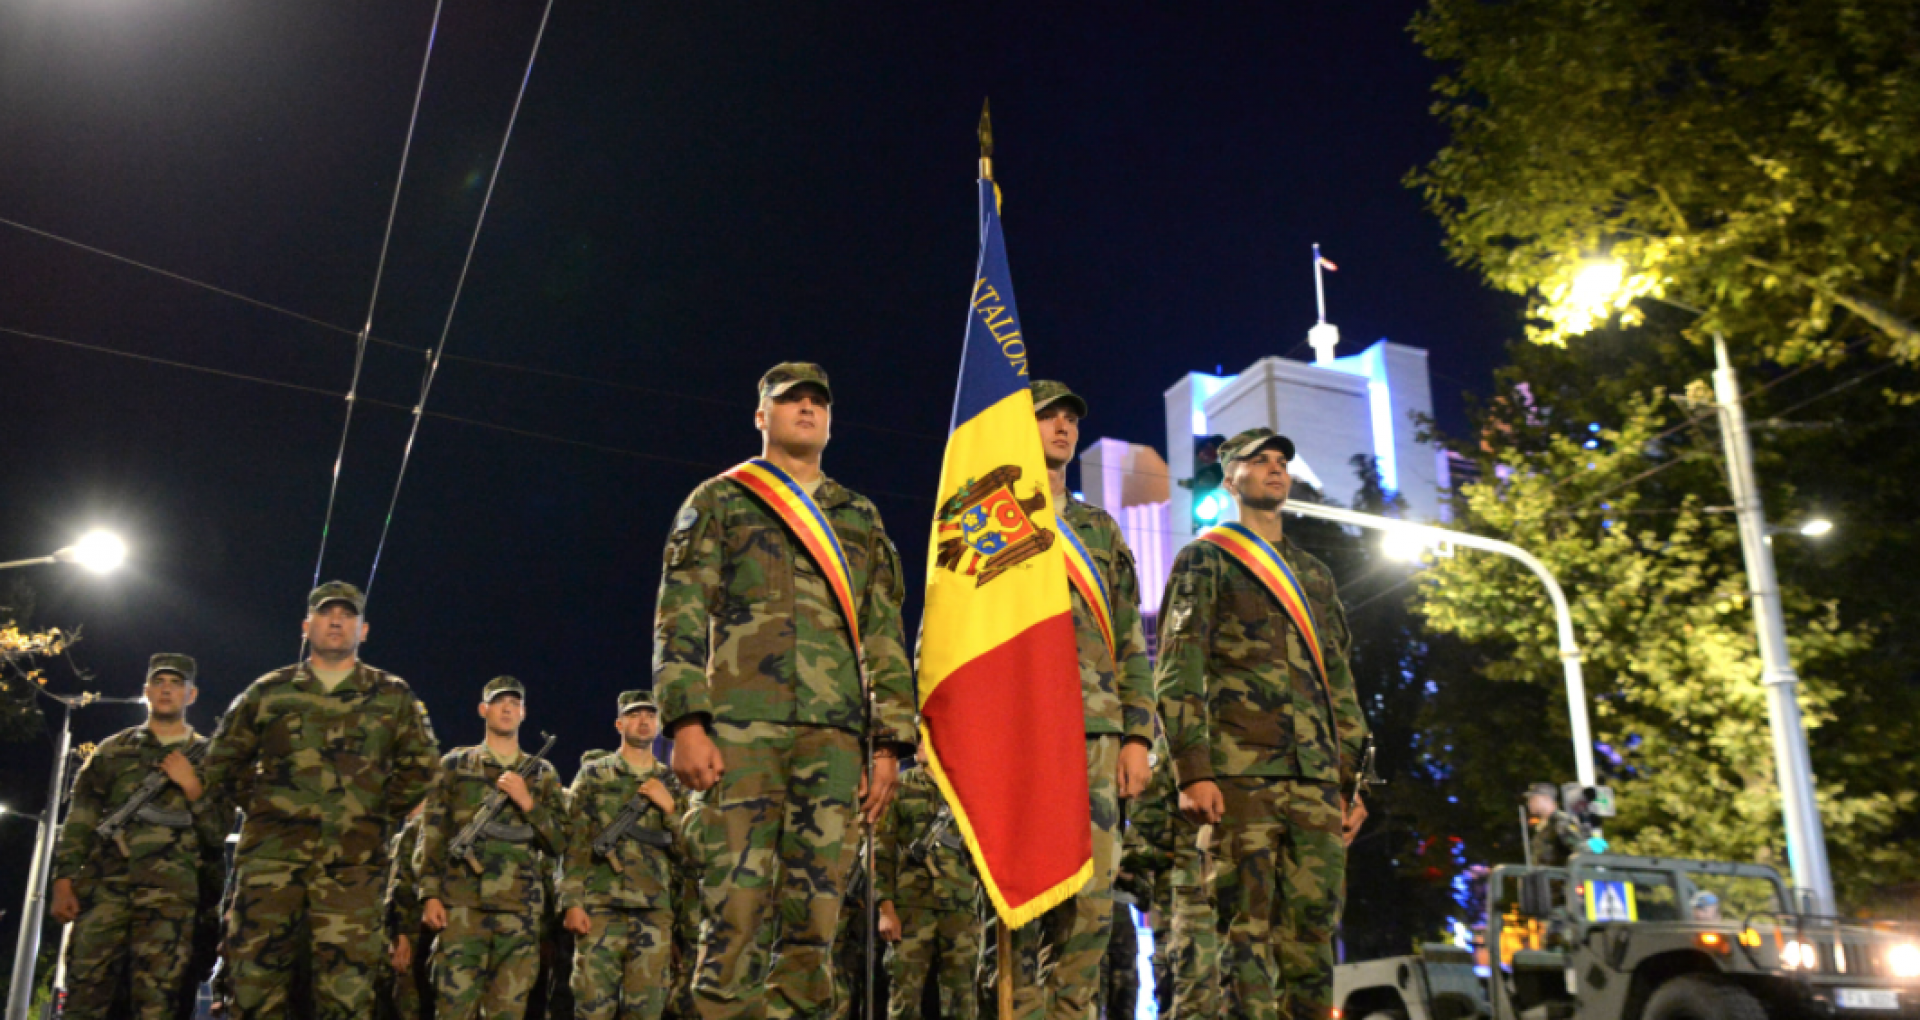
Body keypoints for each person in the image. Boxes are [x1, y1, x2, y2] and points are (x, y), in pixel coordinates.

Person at [654, 362, 919, 1020]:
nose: (806, 409)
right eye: (790, 400)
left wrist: (887, 745)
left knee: (816, 924)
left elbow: (884, 632)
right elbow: (680, 613)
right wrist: (686, 721)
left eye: (817, 401)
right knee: (733, 915)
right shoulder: (718, 500)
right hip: (740, 733)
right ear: (761, 416)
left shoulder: (858, 516)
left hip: (833, 741)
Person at [1156, 428, 1371, 1020]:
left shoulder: (1315, 574)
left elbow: (1340, 683)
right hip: (1241, 780)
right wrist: (1192, 772)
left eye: (1282, 462)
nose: (1276, 470)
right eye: (1259, 461)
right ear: (1231, 478)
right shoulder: (1206, 559)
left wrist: (1353, 784)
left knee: (1312, 941)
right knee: (1244, 940)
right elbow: (1178, 672)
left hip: (1317, 784)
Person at [988, 380, 1155, 1020]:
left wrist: (1137, 737)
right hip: (1019, 736)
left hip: (1096, 736)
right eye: (1046, 417)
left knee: (1090, 913)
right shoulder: (989, 515)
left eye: (1069, 419)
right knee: (1017, 912)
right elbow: (950, 631)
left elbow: (1130, 644)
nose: (1062, 427)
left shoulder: (1099, 528)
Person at [201, 580, 441, 1020]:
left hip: (353, 873)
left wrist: (370, 814)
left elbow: (423, 769)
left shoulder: (392, 696)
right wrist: (262, 806)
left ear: (363, 630)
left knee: (346, 997)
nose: (337, 621)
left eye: (347, 615)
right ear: (306, 625)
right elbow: (221, 763)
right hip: (270, 868)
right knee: (255, 991)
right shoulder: (269, 692)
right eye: (327, 613)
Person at [49, 653, 231, 1020]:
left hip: (172, 905)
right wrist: (63, 881)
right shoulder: (112, 751)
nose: (166, 690)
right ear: (146, 691)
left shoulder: (211, 758)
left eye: (176, 683)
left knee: (157, 1005)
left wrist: (193, 785)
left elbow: (217, 833)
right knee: (86, 997)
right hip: (106, 895)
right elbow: (80, 820)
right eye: (159, 682)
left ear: (191, 695)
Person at [415, 676, 566, 1020]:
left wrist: (528, 804)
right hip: (461, 908)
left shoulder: (541, 774)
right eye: (500, 702)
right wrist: (429, 894)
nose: (508, 708)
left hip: (519, 912)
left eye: (515, 702)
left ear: (524, 712)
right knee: (453, 1008)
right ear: (484, 710)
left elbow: (560, 841)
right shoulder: (455, 765)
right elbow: (433, 833)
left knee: (508, 1011)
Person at [560, 691, 683, 1020]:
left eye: (649, 715)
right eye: (634, 715)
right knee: (591, 1009)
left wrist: (669, 808)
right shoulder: (594, 776)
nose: (643, 721)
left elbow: (691, 851)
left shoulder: (673, 781)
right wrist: (572, 902)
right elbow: (574, 842)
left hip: (654, 912)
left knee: (646, 1012)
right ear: (619, 723)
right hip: (600, 910)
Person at [875, 764, 983, 1020]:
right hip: (911, 908)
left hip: (960, 907)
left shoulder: (969, 785)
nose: (921, 742)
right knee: (905, 999)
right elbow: (881, 851)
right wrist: (885, 910)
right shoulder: (900, 785)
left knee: (962, 999)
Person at [380, 802, 431, 1020]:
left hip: (427, 930)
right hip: (412, 931)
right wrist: (399, 935)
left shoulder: (423, 827)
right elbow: (398, 886)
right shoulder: (412, 831)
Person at [1523, 784, 1586, 867]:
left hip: (1560, 878)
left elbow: (1581, 849)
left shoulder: (1560, 822)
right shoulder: (1545, 827)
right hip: (1546, 878)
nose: (1529, 803)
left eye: (1532, 799)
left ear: (1546, 799)